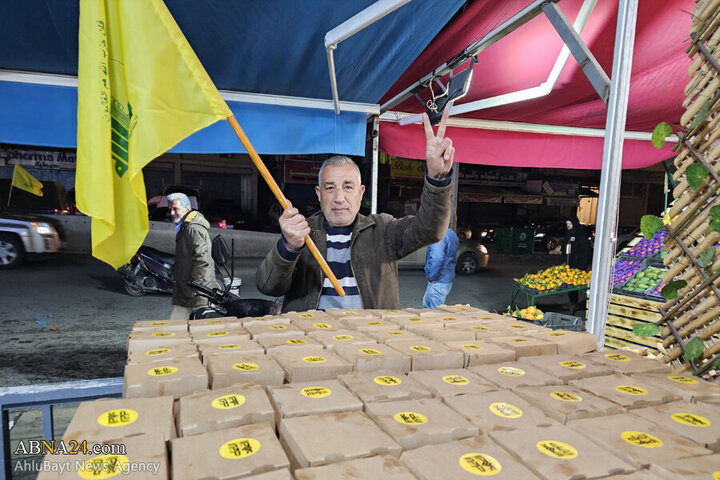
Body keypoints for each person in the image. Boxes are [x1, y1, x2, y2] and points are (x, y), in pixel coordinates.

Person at [256, 110, 455, 312]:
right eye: (330, 187)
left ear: (361, 193)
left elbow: (430, 229)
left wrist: (437, 179)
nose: (339, 198)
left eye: (348, 187)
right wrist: (289, 247)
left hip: (368, 339)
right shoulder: (302, 233)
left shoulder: (383, 230)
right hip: (312, 339)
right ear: (319, 193)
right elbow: (268, 286)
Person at [168, 192, 217, 319]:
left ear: (187, 208)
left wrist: (195, 289)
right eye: (170, 209)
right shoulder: (185, 227)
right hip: (189, 292)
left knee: (177, 327)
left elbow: (202, 260)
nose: (172, 213)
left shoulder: (193, 229)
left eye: (175, 209)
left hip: (195, 294)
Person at [423, 227, 459, 309]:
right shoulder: (452, 233)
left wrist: (431, 276)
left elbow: (437, 258)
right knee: (427, 305)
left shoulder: (439, 235)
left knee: (434, 312)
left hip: (438, 280)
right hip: (446, 278)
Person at [564, 217, 592, 313]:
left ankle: (580, 304)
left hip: (578, 265)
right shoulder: (568, 234)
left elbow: (586, 252)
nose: (568, 226)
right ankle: (573, 302)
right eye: (567, 224)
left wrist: (582, 267)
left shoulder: (581, 235)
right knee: (570, 286)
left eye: (570, 224)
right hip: (569, 265)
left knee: (577, 285)